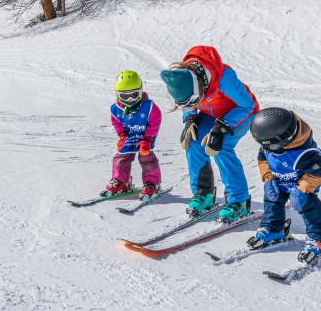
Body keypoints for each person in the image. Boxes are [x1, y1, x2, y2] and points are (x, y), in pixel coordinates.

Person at [160, 46, 259, 223]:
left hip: (240, 113)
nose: (191, 104)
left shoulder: (224, 79)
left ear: (200, 87)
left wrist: (221, 128)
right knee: (193, 142)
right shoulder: (187, 78)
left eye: (193, 101)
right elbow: (187, 105)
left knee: (219, 145)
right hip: (211, 114)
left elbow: (247, 106)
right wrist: (189, 118)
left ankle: (239, 201)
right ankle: (203, 194)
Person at [248, 107, 321, 263]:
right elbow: (263, 160)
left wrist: (301, 190)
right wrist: (268, 178)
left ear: (285, 138)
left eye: (269, 146)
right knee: (272, 201)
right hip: (279, 181)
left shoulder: (305, 153)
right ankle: (273, 229)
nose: (265, 148)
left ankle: (320, 240)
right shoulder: (270, 143)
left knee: (310, 209)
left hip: (301, 186)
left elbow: (319, 173)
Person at [103, 70, 162, 201]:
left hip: (145, 137)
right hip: (129, 137)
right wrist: (122, 135)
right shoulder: (115, 109)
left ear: (140, 91)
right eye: (125, 96)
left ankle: (152, 184)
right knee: (121, 157)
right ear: (118, 95)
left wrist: (148, 138)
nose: (130, 99)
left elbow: (155, 121)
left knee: (147, 158)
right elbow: (117, 122)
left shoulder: (149, 106)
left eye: (134, 95)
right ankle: (120, 182)